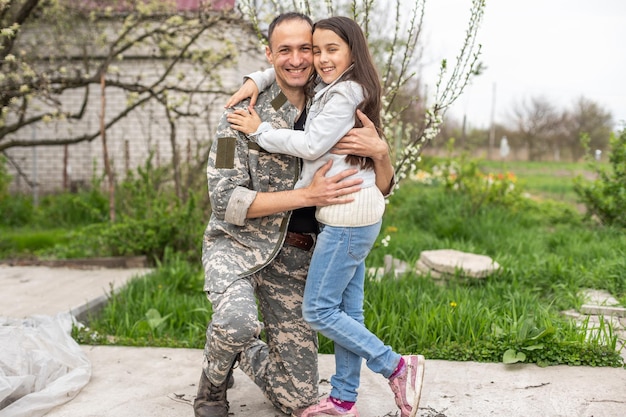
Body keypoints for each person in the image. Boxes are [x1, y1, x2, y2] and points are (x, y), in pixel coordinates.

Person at [194, 12, 395, 417]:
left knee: (299, 400)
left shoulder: (337, 96)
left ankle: (244, 353)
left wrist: (383, 154)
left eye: (309, 48)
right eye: (285, 50)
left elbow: (383, 185)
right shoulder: (239, 115)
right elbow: (225, 200)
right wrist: (306, 195)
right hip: (239, 247)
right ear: (270, 55)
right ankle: (213, 383)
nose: (300, 59)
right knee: (235, 321)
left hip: (297, 257)